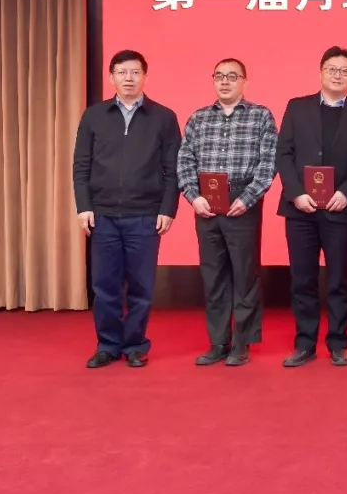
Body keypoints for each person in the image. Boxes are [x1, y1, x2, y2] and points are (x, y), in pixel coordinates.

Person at [73, 50, 181, 368]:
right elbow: (81, 165)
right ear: (112, 77)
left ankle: (134, 344)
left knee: (141, 287)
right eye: (122, 72)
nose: (129, 78)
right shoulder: (94, 116)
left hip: (145, 215)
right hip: (102, 215)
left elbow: (172, 170)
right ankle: (107, 345)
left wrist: (167, 208)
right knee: (104, 285)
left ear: (145, 77)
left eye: (135, 72)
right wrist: (84, 206)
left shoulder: (164, 117)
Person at [275, 47, 347, 367]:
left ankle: (338, 343)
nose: (337, 75)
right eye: (332, 69)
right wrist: (295, 193)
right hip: (299, 209)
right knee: (302, 279)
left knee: (339, 279)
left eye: (344, 71)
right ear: (320, 72)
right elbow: (283, 154)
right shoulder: (297, 106)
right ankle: (304, 343)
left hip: (340, 208)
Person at [177, 58, 278, 367]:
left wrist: (248, 198)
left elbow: (268, 163)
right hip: (205, 201)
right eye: (219, 76)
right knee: (214, 274)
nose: (225, 81)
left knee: (245, 275)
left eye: (232, 76)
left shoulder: (261, 116)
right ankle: (218, 342)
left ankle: (242, 342)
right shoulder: (198, 118)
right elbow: (184, 161)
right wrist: (193, 197)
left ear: (244, 82)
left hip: (242, 200)